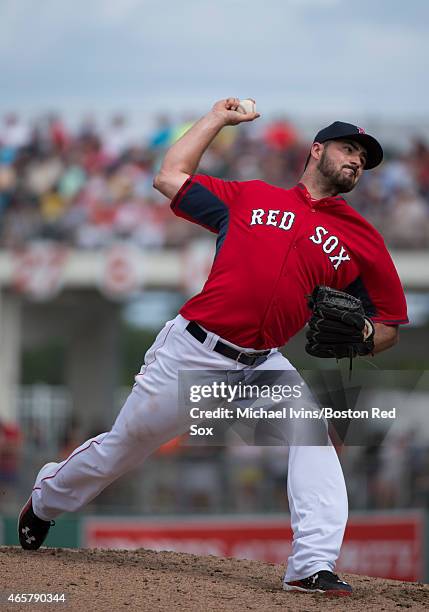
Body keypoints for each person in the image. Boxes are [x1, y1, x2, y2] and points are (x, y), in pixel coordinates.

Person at [18, 98, 408, 597]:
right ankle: (46, 500)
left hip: (263, 366)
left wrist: (369, 336)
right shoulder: (250, 196)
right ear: (317, 151)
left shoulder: (362, 239)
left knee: (313, 431)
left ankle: (311, 565)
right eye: (349, 149)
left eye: (364, 158)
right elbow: (169, 176)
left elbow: (391, 322)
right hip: (193, 352)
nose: (356, 160)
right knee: (123, 448)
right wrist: (218, 119)